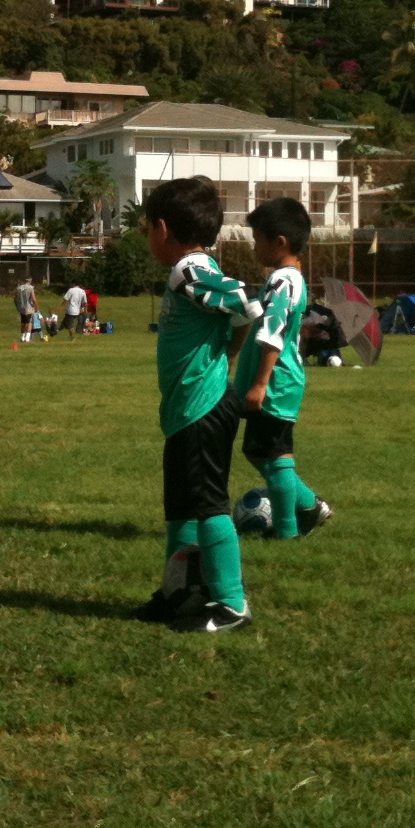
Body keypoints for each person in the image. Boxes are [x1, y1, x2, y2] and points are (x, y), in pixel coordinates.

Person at [133, 176, 261, 634]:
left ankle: (231, 603)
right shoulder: (188, 272)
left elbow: (246, 305)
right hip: (188, 410)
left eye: (147, 228)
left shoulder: (189, 271)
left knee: (207, 506)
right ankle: (179, 591)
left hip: (203, 409)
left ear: (162, 228)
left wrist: (229, 354)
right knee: (182, 508)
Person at [233, 198, 333, 542]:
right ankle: (308, 506)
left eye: (257, 239)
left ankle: (289, 529)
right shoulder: (288, 279)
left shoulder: (282, 282)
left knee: (272, 455)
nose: (253, 246)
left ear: (280, 243)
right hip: (280, 382)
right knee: (265, 451)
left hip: (275, 383)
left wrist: (260, 383)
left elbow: (273, 334)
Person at [14, 278, 38, 343]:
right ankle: (27, 338)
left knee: (23, 323)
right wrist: (35, 307)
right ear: (29, 281)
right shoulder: (30, 288)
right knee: (29, 323)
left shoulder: (19, 288)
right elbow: (34, 299)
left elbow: (15, 299)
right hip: (29, 308)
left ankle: (22, 337)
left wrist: (18, 307)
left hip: (21, 308)